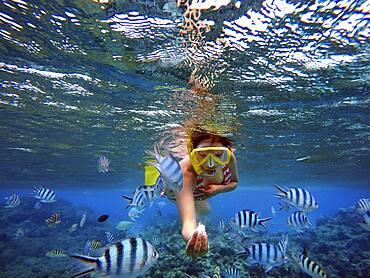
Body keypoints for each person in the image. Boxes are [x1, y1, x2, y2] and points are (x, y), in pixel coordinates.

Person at [165, 128, 238, 259]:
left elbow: (234, 183)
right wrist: (191, 238)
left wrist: (218, 189)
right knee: (204, 210)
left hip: (201, 193)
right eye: (203, 155)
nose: (210, 163)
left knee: (206, 210)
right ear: (192, 153)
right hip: (176, 191)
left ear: (227, 152)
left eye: (217, 154)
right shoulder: (186, 173)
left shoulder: (228, 157)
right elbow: (188, 223)